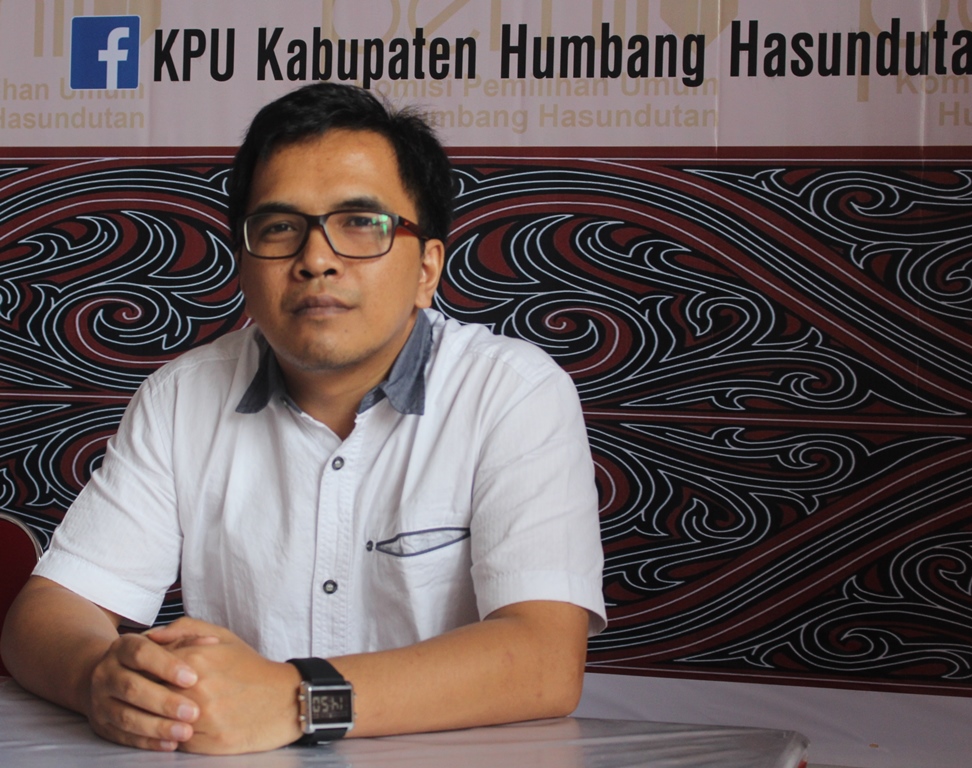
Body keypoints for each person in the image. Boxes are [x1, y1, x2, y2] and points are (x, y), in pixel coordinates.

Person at [0, 83, 606, 754]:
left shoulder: (513, 392)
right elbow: (47, 615)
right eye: (280, 227)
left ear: (427, 268)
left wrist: (297, 700)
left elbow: (545, 660)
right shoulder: (181, 396)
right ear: (244, 261)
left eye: (361, 223)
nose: (315, 259)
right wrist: (102, 679)